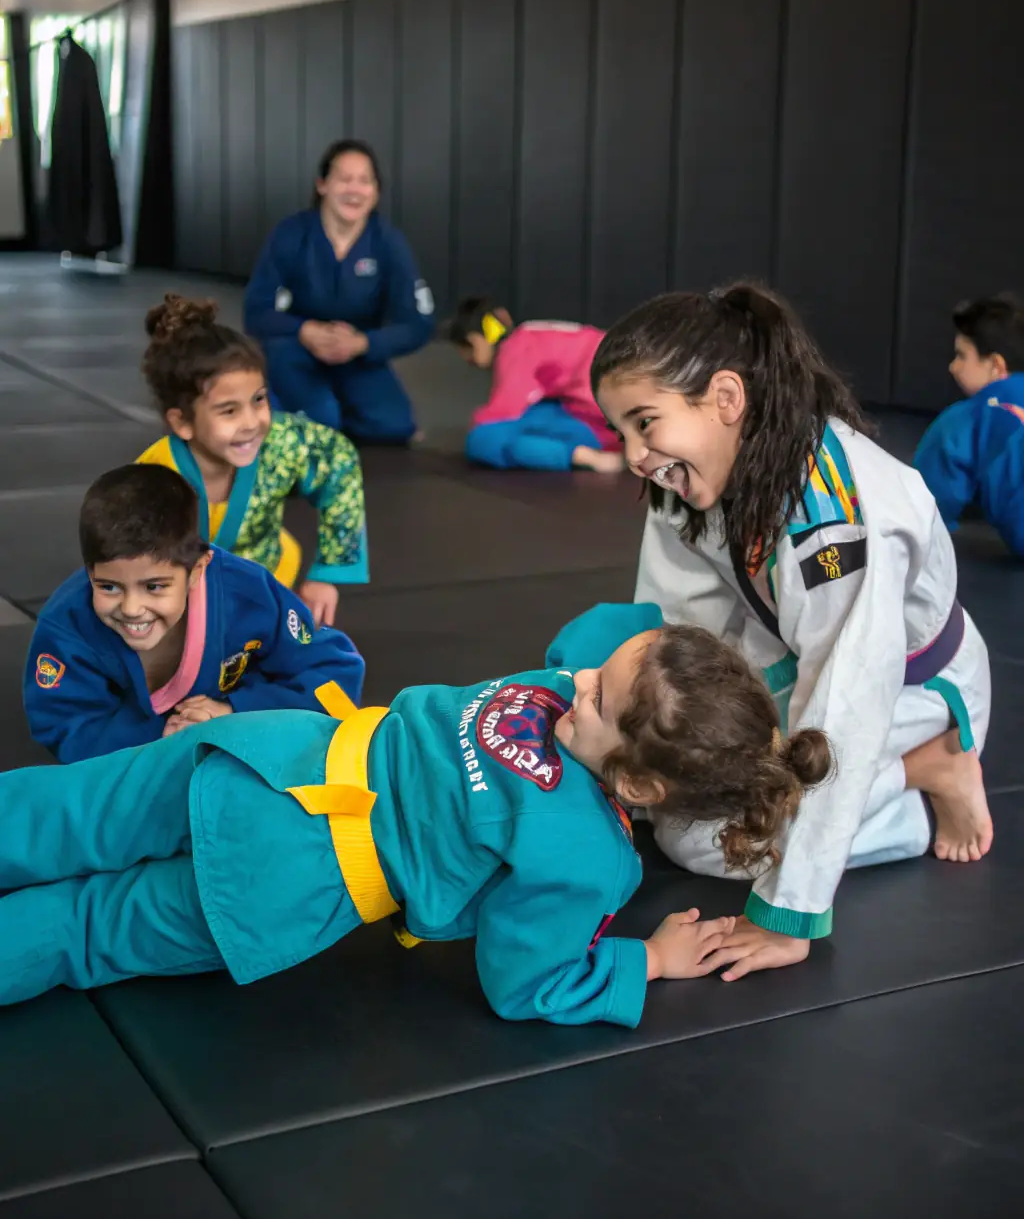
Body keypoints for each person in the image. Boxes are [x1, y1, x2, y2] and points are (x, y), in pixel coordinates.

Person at [0, 602, 833, 1017]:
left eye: (597, 696)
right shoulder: (590, 852)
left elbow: (623, 624)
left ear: (642, 786)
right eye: (600, 672)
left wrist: (659, 657)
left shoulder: (582, 843)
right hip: (287, 864)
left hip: (274, 759)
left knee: (68, 811)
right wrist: (645, 960)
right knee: (87, 923)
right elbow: (524, 979)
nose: (577, 680)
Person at [591, 282, 993, 982]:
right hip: (781, 665)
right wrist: (632, 736)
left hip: (910, 695)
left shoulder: (837, 516)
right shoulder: (688, 474)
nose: (633, 454)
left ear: (725, 397)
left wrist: (786, 912)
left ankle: (925, 778)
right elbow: (671, 632)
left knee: (703, 841)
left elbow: (848, 700)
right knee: (662, 795)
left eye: (644, 422)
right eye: (620, 431)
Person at [23, 465, 365, 764]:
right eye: (108, 587)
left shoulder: (249, 595)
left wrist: (235, 712)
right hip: (139, 771)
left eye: (154, 586)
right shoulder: (68, 625)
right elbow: (64, 726)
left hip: (249, 755)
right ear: (89, 570)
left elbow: (333, 673)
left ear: (198, 569)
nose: (130, 608)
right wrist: (159, 737)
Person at [136, 294, 368, 630]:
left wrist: (327, 572)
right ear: (182, 422)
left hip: (269, 578)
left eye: (259, 400)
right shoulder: (154, 479)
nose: (251, 422)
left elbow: (338, 459)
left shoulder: (282, 443)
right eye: (229, 410)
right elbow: (127, 562)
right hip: (189, 602)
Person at [244, 139, 433, 444]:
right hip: (294, 349)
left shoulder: (388, 242)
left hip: (356, 353)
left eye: (364, 181)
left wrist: (362, 343)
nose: (354, 190)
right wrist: (305, 330)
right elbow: (255, 312)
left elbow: (418, 324)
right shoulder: (291, 234)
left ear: (376, 191)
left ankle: (321, 411)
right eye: (344, 179)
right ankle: (291, 407)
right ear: (322, 185)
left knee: (396, 426)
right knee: (323, 421)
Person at [450, 296, 624, 473]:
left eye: (467, 354)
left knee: (482, 438)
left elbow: (502, 412)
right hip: (610, 415)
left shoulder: (515, 349)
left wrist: (477, 423)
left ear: (474, 341)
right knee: (536, 412)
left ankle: (582, 455)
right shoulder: (530, 335)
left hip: (603, 422)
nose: (470, 362)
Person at [913, 293, 1024, 556]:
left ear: (996, 365)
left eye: (961, 356)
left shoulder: (967, 418)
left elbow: (924, 508)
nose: (953, 367)